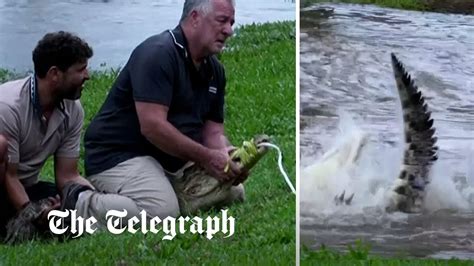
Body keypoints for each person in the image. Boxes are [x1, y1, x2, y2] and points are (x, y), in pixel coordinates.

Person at [64, 0, 246, 224]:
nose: (229, 30)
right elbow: (153, 127)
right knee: (162, 213)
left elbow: (213, 132)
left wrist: (228, 157)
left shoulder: (214, 70)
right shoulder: (158, 54)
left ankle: (166, 193)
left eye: (231, 22)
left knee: (234, 192)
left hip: (168, 159)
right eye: (222, 21)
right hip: (120, 154)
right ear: (195, 18)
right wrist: (208, 158)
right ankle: (79, 202)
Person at [0, 31, 94, 240]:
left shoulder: (73, 109)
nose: (87, 75)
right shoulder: (8, 107)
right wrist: (34, 212)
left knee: (71, 204)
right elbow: (10, 176)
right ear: (54, 74)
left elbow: (68, 175)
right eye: (80, 69)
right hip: (5, 183)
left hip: (26, 187)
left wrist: (94, 199)